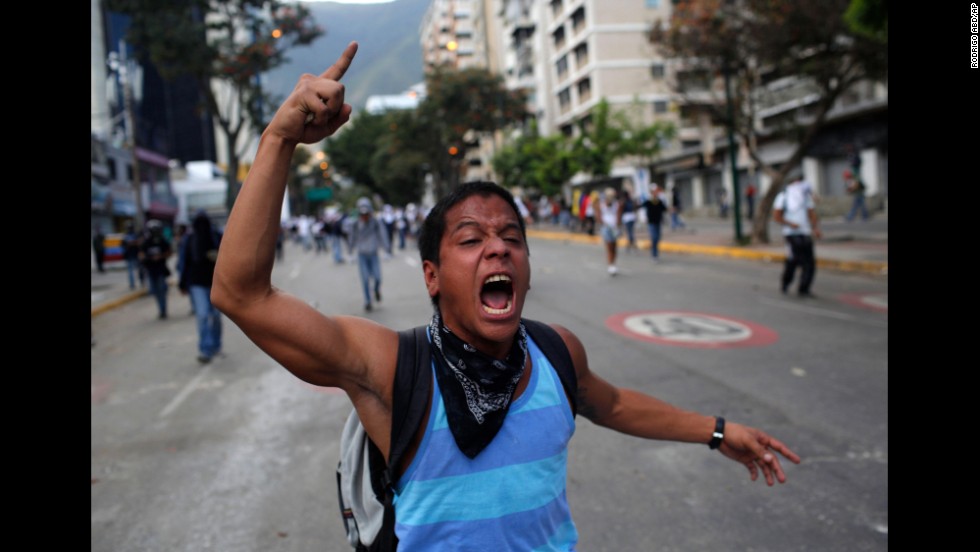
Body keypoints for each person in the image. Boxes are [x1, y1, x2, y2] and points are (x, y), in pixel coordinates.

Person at [211, 42, 800, 551]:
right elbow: (242, 294)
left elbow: (612, 404)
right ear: (432, 276)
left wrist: (719, 431)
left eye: (510, 237)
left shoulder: (555, 352)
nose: (498, 249)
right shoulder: (391, 367)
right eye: (471, 239)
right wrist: (280, 138)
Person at [180, 211, 223, 363]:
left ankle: (217, 345)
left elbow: (228, 256)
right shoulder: (190, 239)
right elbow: (184, 261)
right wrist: (182, 283)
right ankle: (206, 349)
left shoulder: (217, 236)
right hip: (197, 283)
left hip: (216, 283)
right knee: (203, 316)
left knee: (216, 316)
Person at [773, 173, 822, 298]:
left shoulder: (805, 197)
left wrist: (815, 228)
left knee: (809, 262)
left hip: (805, 232)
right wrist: (790, 224)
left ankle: (804, 288)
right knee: (794, 260)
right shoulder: (783, 196)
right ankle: (786, 283)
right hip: (791, 234)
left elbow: (811, 213)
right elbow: (777, 216)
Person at [347, 196, 390, 311]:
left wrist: (386, 250)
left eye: (366, 213)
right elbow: (351, 237)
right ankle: (368, 301)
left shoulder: (376, 222)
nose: (364, 216)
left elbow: (383, 234)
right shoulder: (355, 224)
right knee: (365, 279)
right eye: (362, 214)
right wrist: (350, 252)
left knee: (377, 278)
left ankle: (376, 290)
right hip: (362, 255)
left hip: (373, 254)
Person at [139, 219, 172, 319]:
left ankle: (163, 311)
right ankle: (161, 309)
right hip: (150, 270)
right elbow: (141, 255)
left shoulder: (162, 241)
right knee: (154, 291)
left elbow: (169, 252)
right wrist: (149, 258)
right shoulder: (146, 242)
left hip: (161, 270)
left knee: (162, 290)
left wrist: (160, 256)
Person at [597, 187, 623, 275]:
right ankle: (610, 265)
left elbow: (619, 217)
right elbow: (599, 216)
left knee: (614, 247)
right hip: (606, 228)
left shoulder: (617, 204)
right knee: (609, 246)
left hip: (614, 228)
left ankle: (613, 264)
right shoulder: (602, 205)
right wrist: (603, 223)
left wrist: (618, 228)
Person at [642, 185, 669, 262]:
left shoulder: (659, 201)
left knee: (657, 238)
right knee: (654, 238)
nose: (655, 193)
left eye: (656, 192)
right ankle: (654, 254)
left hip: (658, 222)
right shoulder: (648, 201)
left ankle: (655, 252)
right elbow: (641, 207)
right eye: (654, 192)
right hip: (651, 223)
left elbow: (664, 209)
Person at [122, 222, 144, 290]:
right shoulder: (126, 236)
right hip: (130, 256)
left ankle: (141, 282)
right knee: (131, 271)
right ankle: (133, 284)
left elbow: (140, 244)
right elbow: (123, 246)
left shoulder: (135, 235)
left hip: (136, 255)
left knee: (140, 269)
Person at [620, 188, 638, 253]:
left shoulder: (625, 201)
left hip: (628, 218)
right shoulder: (630, 200)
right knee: (630, 232)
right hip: (630, 217)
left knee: (630, 233)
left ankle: (631, 246)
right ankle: (630, 246)